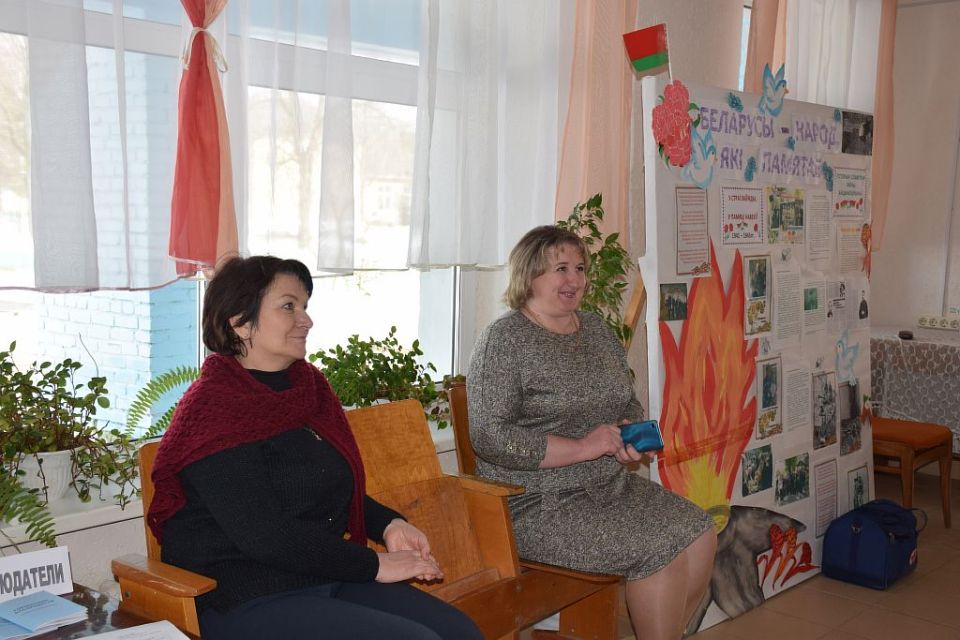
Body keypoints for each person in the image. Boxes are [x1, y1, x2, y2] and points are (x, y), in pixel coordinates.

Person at [147, 256, 482, 640]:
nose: (306, 319)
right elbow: (266, 536)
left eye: (304, 306)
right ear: (239, 322)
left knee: (461, 632)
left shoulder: (308, 390)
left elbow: (330, 486)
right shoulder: (213, 410)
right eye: (288, 306)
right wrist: (375, 565)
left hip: (318, 572)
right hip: (243, 593)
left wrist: (389, 524)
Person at [467, 226, 717, 640]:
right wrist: (583, 447)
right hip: (536, 503)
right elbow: (490, 436)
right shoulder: (504, 340)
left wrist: (628, 432)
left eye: (580, 268)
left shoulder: (596, 329)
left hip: (607, 486)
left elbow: (625, 400)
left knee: (700, 533)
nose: (575, 279)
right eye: (561, 269)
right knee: (658, 549)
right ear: (530, 275)